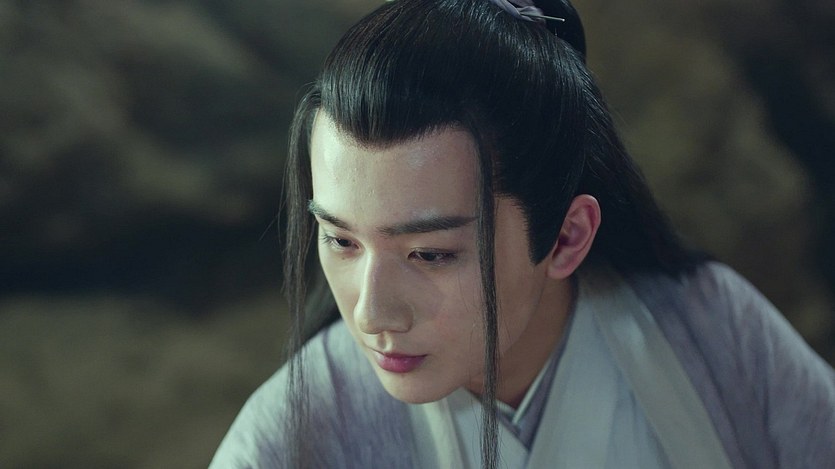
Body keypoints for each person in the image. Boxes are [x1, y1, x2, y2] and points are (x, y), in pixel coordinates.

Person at [210, 0, 835, 467]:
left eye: (429, 253)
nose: (373, 313)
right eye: (342, 241)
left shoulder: (709, 332)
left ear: (566, 236)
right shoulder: (295, 435)